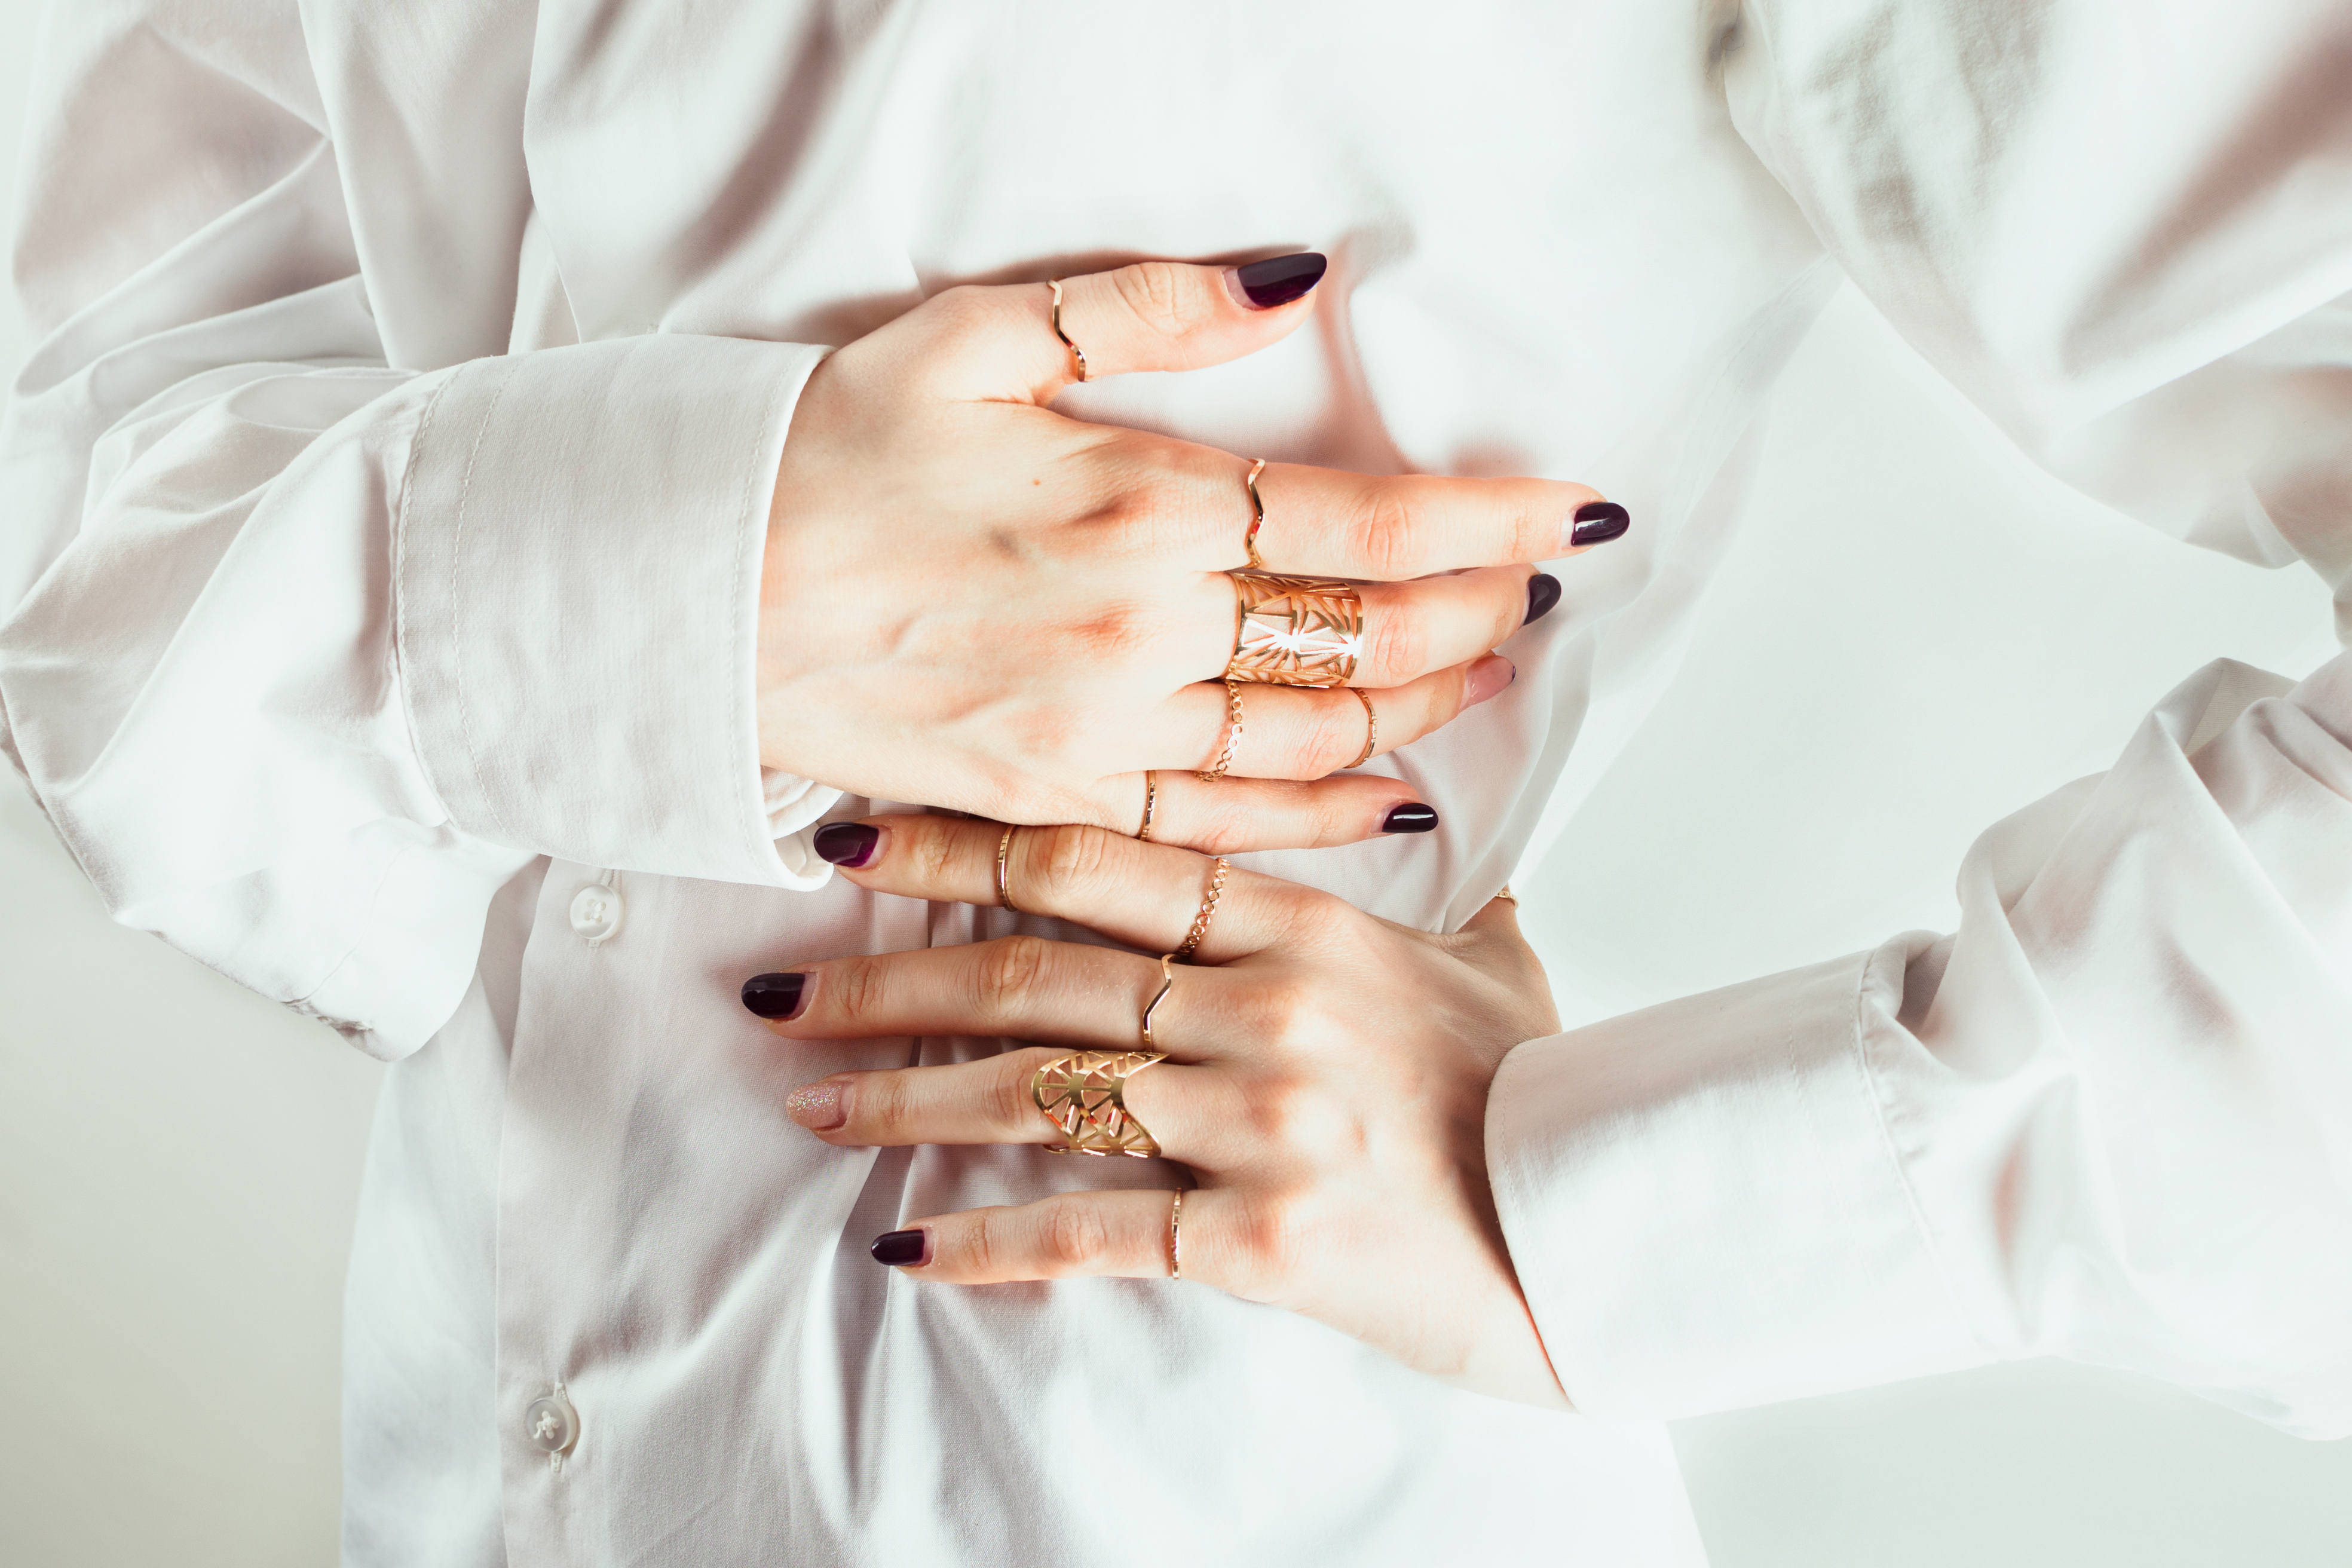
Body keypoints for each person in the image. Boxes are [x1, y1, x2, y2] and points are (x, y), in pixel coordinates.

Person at [2, 2, 2346, 1566]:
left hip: (1206, 1447)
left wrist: (1637, 1199)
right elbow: (84, 432)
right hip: (484, 1439)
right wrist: (674, 579)